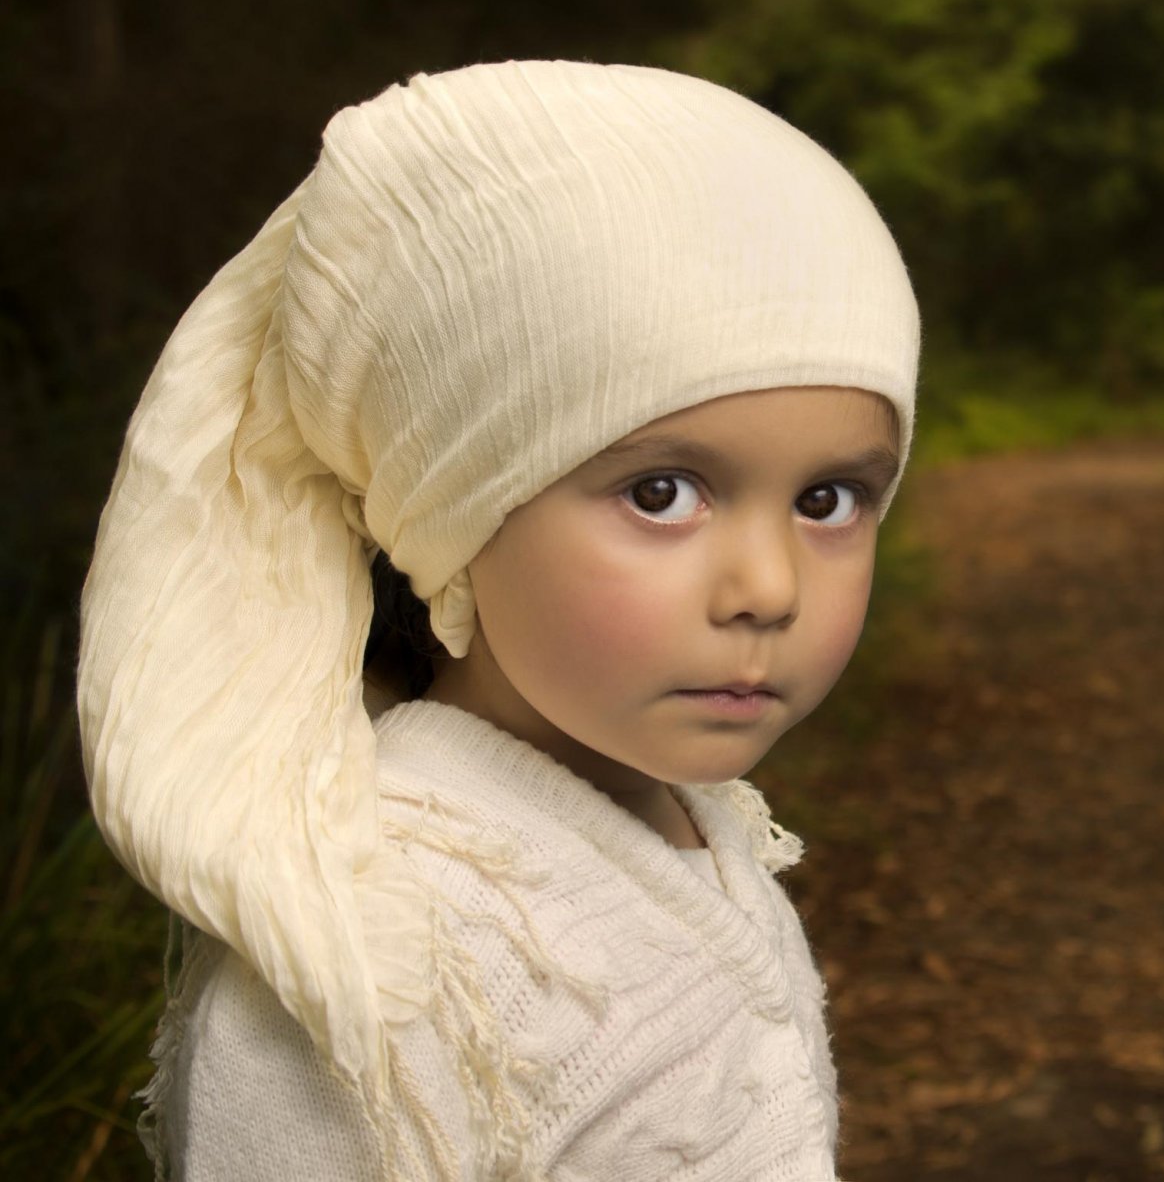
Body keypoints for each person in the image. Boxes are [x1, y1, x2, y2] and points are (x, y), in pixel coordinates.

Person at [74, 59, 920, 1180]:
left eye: (829, 499)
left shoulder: (685, 817)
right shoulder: (382, 947)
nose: (769, 585)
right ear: (453, 504)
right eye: (661, 492)